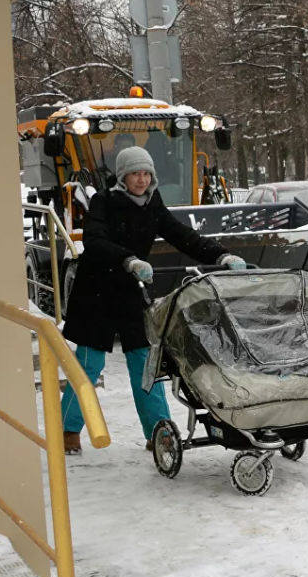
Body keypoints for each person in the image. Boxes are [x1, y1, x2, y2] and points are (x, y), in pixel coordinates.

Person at [60, 145, 246, 454]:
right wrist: (128, 260)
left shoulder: (152, 203)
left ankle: (158, 432)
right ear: (123, 176)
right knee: (90, 364)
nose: (142, 180)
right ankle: (68, 429)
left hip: (131, 291)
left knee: (145, 363)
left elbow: (181, 234)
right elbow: (94, 241)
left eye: (147, 173)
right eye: (135, 173)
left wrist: (221, 254)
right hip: (96, 291)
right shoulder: (103, 202)